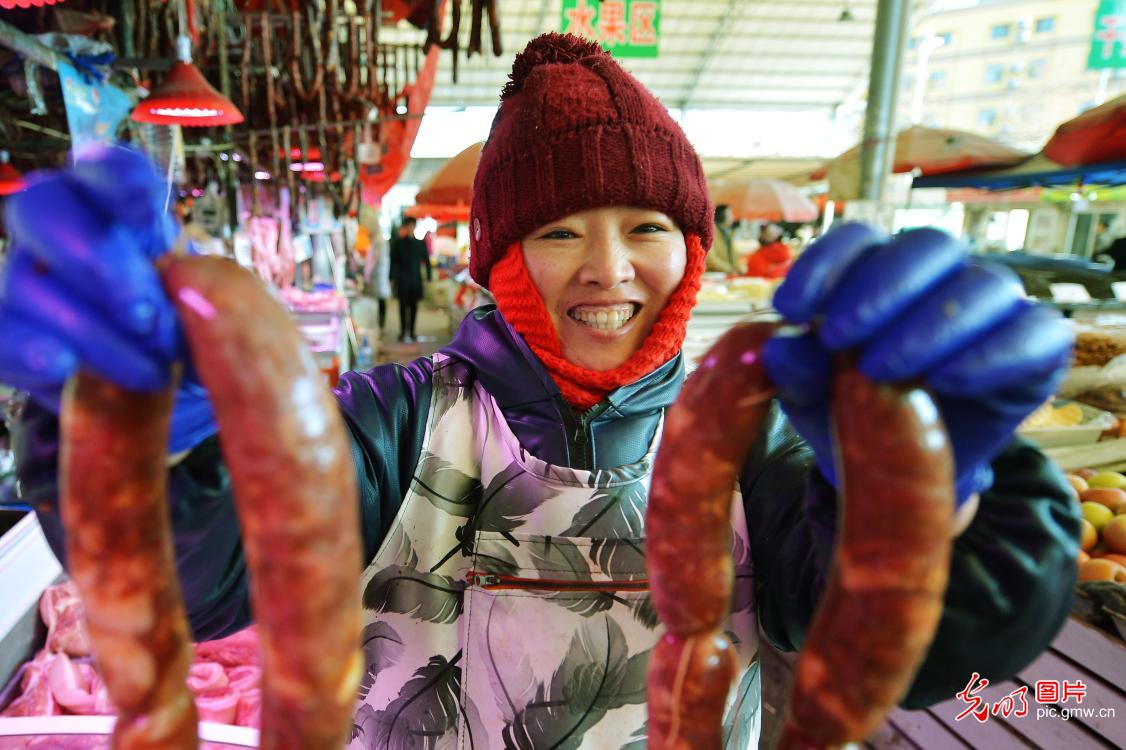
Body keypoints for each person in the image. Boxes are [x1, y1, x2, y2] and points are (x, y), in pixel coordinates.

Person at [1, 34, 1078, 750]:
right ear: (498, 260)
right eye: (557, 233)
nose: (606, 270)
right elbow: (206, 583)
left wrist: (941, 494)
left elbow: (921, 654)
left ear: (692, 249)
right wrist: (154, 446)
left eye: (646, 228)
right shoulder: (395, 420)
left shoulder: (761, 441)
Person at [389, 216, 432, 342]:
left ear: (414, 227)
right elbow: (393, 262)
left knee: (414, 306)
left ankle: (412, 332)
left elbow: (427, 261)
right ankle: (403, 332)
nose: (410, 229)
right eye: (408, 226)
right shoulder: (397, 243)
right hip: (402, 280)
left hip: (415, 279)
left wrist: (429, 277)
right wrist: (391, 278)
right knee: (402, 306)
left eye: (412, 226)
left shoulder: (420, 244)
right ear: (405, 228)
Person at [706, 203, 740, 274]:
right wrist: (730, 269)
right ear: (722, 216)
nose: (733, 218)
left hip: (726, 274)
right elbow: (711, 260)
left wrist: (740, 269)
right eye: (730, 215)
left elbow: (734, 258)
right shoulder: (711, 232)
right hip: (713, 276)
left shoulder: (728, 233)